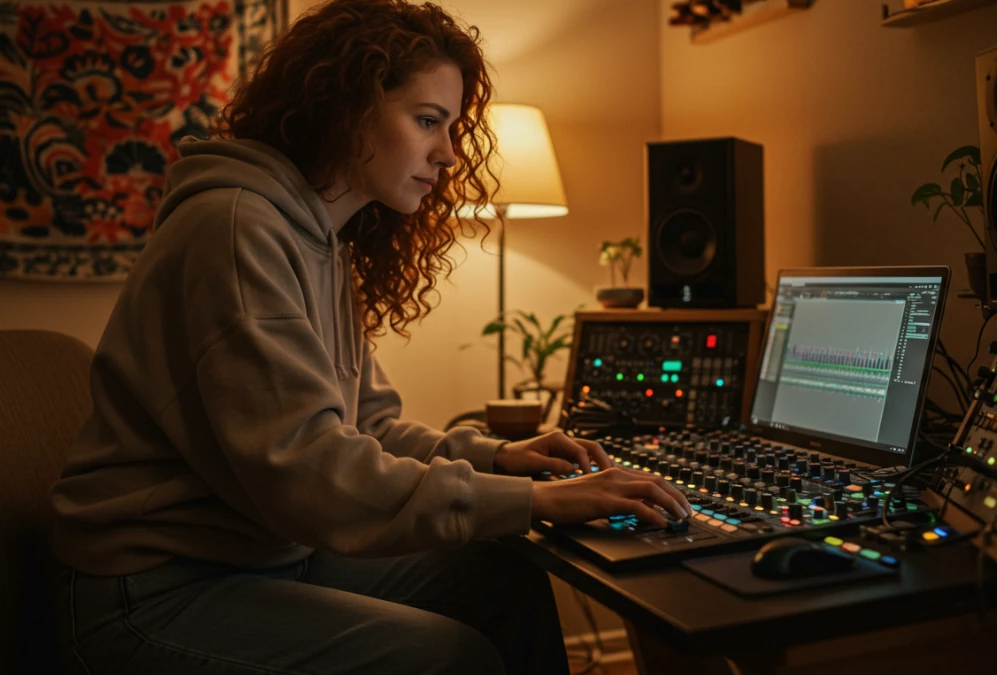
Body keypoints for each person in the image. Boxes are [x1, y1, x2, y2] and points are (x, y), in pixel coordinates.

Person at [48, 1, 692, 673]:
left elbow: (368, 426)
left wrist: (500, 460)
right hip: (153, 592)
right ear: (347, 107)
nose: (446, 153)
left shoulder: (322, 240)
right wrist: (531, 500)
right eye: (426, 121)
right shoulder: (236, 229)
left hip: (261, 558)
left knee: (499, 574)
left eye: (450, 128)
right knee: (448, 656)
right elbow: (310, 471)